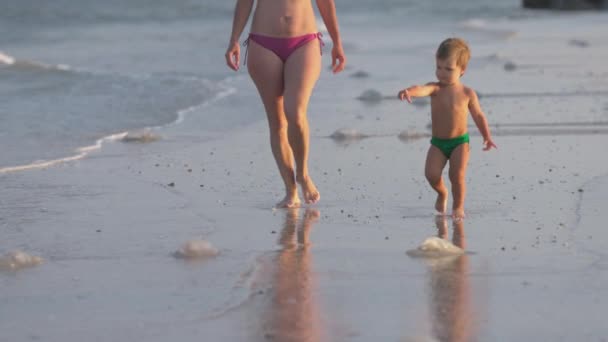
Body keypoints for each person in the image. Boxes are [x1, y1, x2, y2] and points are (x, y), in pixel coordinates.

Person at [225, 0, 346, 208]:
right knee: (277, 123)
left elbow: (325, 2)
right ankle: (291, 192)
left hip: (305, 40)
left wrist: (337, 42)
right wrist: (234, 39)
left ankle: (303, 174)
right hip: (263, 42)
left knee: (295, 111)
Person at [398, 38, 497, 219]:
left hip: (460, 142)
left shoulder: (468, 93)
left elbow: (479, 116)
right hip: (438, 143)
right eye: (439, 67)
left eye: (448, 69)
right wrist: (408, 92)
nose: (442, 73)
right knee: (431, 174)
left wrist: (487, 136)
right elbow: (421, 89)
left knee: (457, 175)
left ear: (462, 71)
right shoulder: (435, 88)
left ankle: (458, 206)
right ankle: (442, 193)